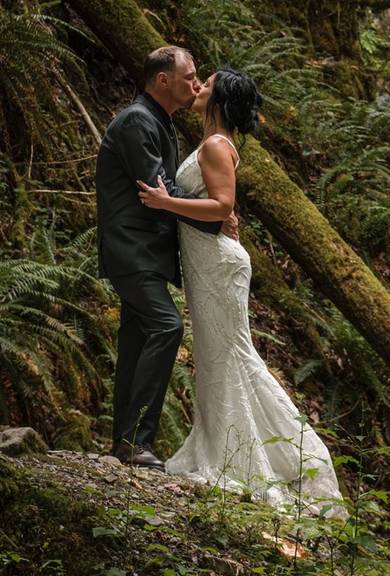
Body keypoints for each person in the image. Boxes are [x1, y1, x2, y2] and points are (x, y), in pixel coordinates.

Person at [137, 67, 344, 517]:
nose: (197, 87)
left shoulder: (214, 145)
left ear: (219, 98)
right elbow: (218, 205)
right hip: (210, 263)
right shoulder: (213, 143)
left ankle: (301, 461)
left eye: (205, 84)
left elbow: (223, 206)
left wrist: (165, 202)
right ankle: (227, 450)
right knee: (218, 358)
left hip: (218, 266)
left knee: (231, 355)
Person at [96, 46, 239, 469]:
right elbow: (159, 189)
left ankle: (125, 442)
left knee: (137, 339)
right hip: (132, 248)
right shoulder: (139, 121)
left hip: (146, 251)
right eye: (189, 76)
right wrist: (217, 214)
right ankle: (138, 441)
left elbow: (169, 194)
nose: (195, 84)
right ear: (163, 80)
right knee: (166, 326)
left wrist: (217, 211)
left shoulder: (160, 122)